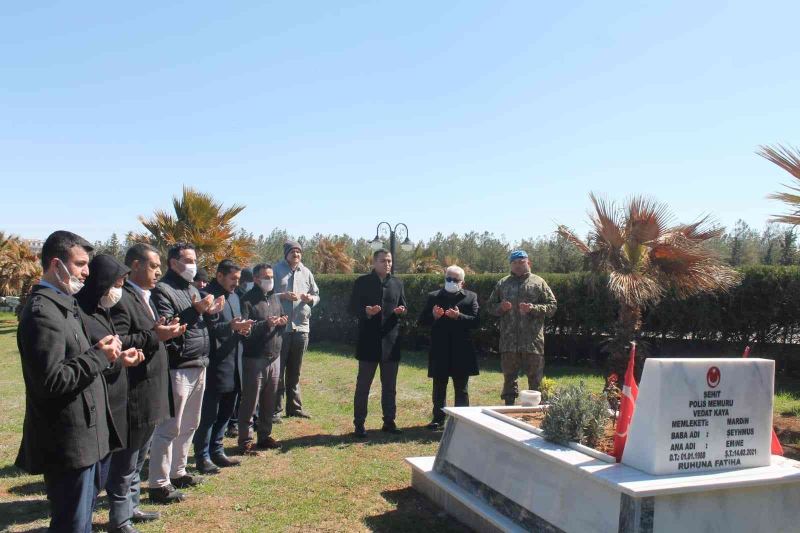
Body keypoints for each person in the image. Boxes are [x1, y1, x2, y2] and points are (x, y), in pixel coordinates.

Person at [15, 231, 122, 533]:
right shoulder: (42, 312)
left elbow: (78, 361)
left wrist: (108, 356)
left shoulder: (65, 304)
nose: (86, 273)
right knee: (71, 523)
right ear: (55, 264)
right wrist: (100, 356)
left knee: (82, 518)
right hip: (67, 439)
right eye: (79, 264)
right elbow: (50, 380)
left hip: (88, 435)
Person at [109, 243, 185, 525]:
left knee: (139, 458)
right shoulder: (121, 298)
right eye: (153, 266)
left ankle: (132, 508)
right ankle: (119, 520)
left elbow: (149, 334)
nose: (158, 271)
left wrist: (165, 331)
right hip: (135, 392)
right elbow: (119, 341)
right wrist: (156, 336)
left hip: (152, 390)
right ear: (136, 266)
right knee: (126, 463)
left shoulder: (147, 296)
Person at [148, 243, 224, 502]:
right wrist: (197, 310)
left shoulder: (192, 288)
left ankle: (178, 471)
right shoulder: (162, 291)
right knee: (169, 426)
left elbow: (200, 324)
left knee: (190, 423)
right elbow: (169, 325)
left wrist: (211, 313)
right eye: (188, 260)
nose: (193, 264)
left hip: (199, 362)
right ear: (173, 262)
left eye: (194, 259)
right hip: (177, 365)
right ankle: (158, 483)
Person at [76, 254, 146, 533]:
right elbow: (84, 359)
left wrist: (120, 358)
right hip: (91, 406)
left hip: (114, 400)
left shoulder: (101, 310)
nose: (120, 288)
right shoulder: (79, 312)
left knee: (103, 473)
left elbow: (105, 353)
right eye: (117, 282)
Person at [193, 260, 253, 473]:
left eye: (238, 280)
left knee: (227, 411)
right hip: (215, 363)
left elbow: (236, 323)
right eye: (232, 279)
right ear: (219, 276)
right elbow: (205, 329)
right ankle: (202, 456)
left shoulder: (235, 297)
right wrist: (231, 326)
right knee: (209, 414)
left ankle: (217, 450)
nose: (236, 284)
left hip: (234, 361)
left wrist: (243, 329)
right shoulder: (205, 296)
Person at [348, 249, 407, 439]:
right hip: (368, 342)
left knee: (389, 386)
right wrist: (366, 311)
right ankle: (359, 424)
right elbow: (351, 308)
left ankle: (389, 421)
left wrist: (401, 310)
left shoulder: (397, 283)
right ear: (374, 263)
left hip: (391, 343)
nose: (387, 264)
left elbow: (405, 306)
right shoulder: (362, 282)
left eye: (389, 261)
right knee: (363, 386)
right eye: (383, 261)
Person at [487, 250, 557, 405]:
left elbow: (552, 307)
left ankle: (537, 413)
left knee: (536, 381)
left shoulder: (539, 282)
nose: (518, 266)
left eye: (521, 262)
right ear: (511, 265)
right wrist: (501, 307)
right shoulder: (503, 283)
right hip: (509, 342)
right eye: (514, 263)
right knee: (509, 379)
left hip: (532, 342)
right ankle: (508, 409)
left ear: (528, 263)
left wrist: (533, 308)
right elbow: (490, 307)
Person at [418, 265, 480, 430]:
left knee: (461, 388)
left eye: (455, 279)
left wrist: (459, 316)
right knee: (439, 386)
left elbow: (476, 321)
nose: (451, 282)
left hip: (462, 349)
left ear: (462, 283)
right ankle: (438, 418)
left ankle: (462, 420)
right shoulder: (434, 297)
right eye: (448, 278)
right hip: (440, 349)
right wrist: (434, 316)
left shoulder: (470, 297)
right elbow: (421, 321)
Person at [239, 263, 288, 453]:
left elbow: (282, 316)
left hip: (274, 356)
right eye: (266, 277)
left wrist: (282, 322)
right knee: (250, 401)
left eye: (271, 277)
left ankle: (265, 436)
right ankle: (245, 441)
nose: (270, 280)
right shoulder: (248, 300)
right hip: (255, 358)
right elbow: (245, 330)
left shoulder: (274, 298)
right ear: (256, 279)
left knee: (270, 399)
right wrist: (264, 324)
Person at [273, 241, 319, 421]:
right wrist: (282, 296)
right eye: (293, 251)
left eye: (299, 252)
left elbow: (316, 294)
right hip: (280, 328)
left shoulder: (306, 272)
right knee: (278, 371)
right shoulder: (276, 271)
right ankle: (275, 410)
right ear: (286, 254)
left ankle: (294, 408)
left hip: (301, 327)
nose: (296, 255)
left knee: (295, 371)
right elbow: (266, 294)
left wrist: (310, 299)